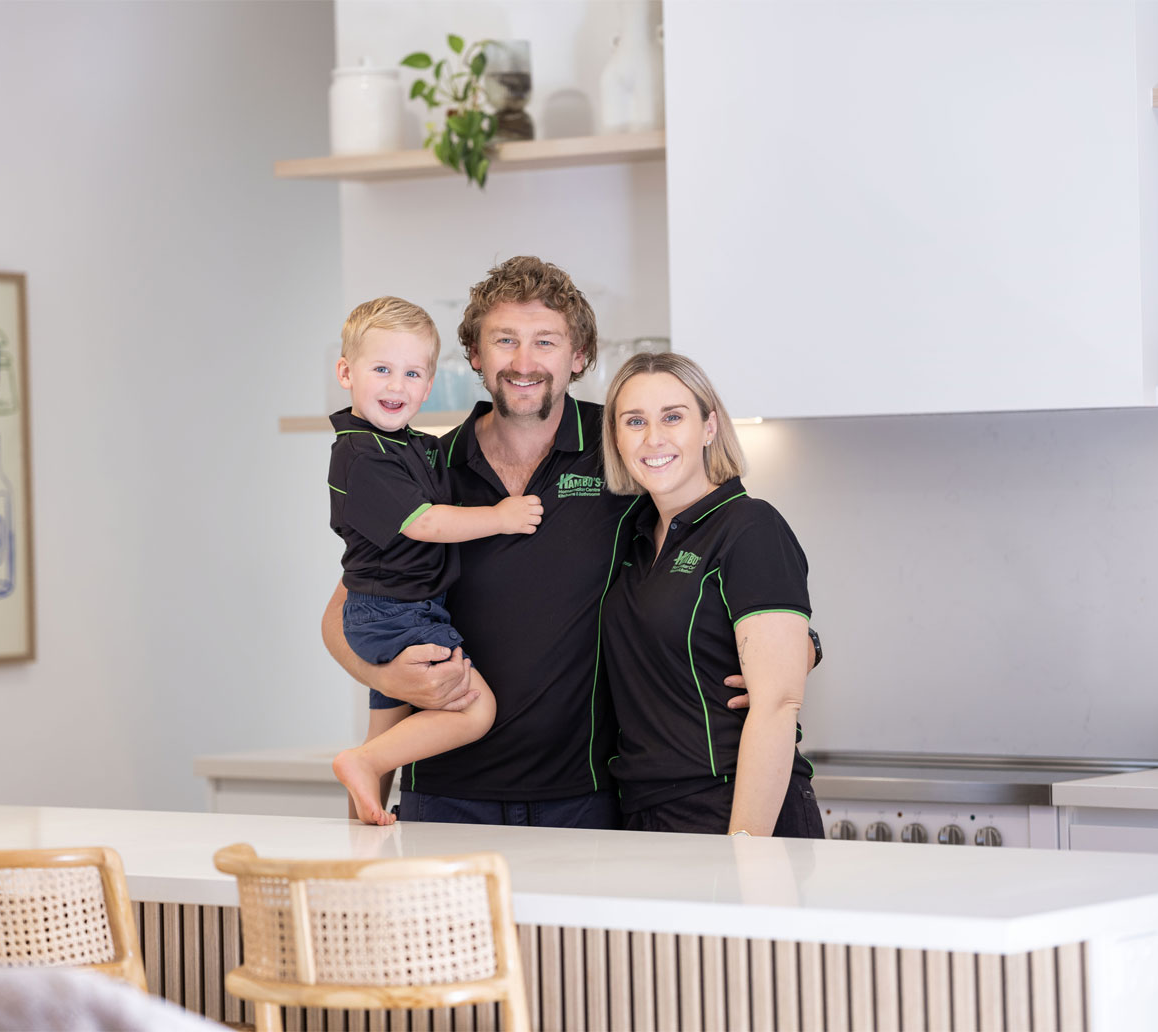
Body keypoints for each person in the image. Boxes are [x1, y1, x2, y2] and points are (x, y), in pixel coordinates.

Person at [322, 257, 819, 829]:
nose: (524, 362)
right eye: (504, 340)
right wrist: (387, 678)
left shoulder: (622, 452)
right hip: (444, 794)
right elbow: (347, 611)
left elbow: (721, 547)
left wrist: (797, 647)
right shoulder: (430, 465)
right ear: (475, 356)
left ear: (578, 356)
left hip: (587, 798)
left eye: (546, 341)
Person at [326, 296, 544, 825]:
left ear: (429, 386)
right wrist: (501, 517)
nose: (397, 386)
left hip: (400, 606)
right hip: (397, 610)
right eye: (381, 369)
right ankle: (363, 763)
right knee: (475, 709)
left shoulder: (409, 446)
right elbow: (424, 523)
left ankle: (362, 821)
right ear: (346, 373)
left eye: (412, 373)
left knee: (388, 721)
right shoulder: (363, 455)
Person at [599, 352, 823, 837]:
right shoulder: (633, 538)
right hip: (642, 809)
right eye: (634, 421)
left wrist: (746, 848)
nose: (653, 438)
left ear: (709, 426)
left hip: (733, 803)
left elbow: (778, 703)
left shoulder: (750, 526)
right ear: (616, 438)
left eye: (672, 417)